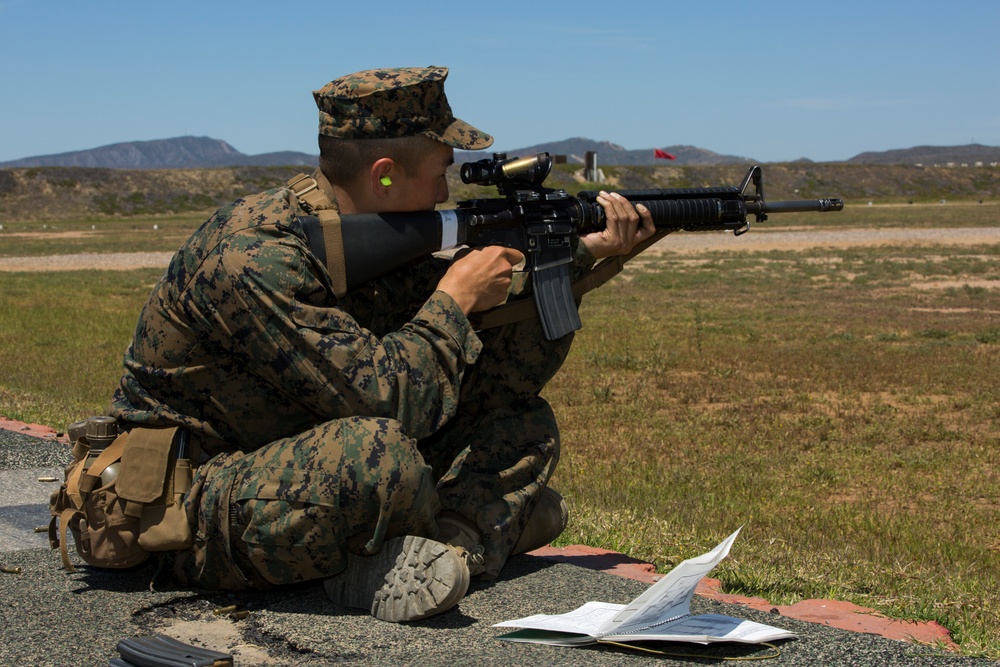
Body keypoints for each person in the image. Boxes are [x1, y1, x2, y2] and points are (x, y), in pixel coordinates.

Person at [109, 66, 656, 622]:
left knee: (523, 423)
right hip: (177, 502)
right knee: (374, 456)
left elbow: (505, 371)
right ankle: (466, 527)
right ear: (385, 173)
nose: (447, 191)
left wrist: (584, 254)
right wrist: (453, 301)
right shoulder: (254, 256)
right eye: (442, 172)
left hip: (295, 449)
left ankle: (444, 550)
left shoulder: (373, 232)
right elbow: (389, 403)